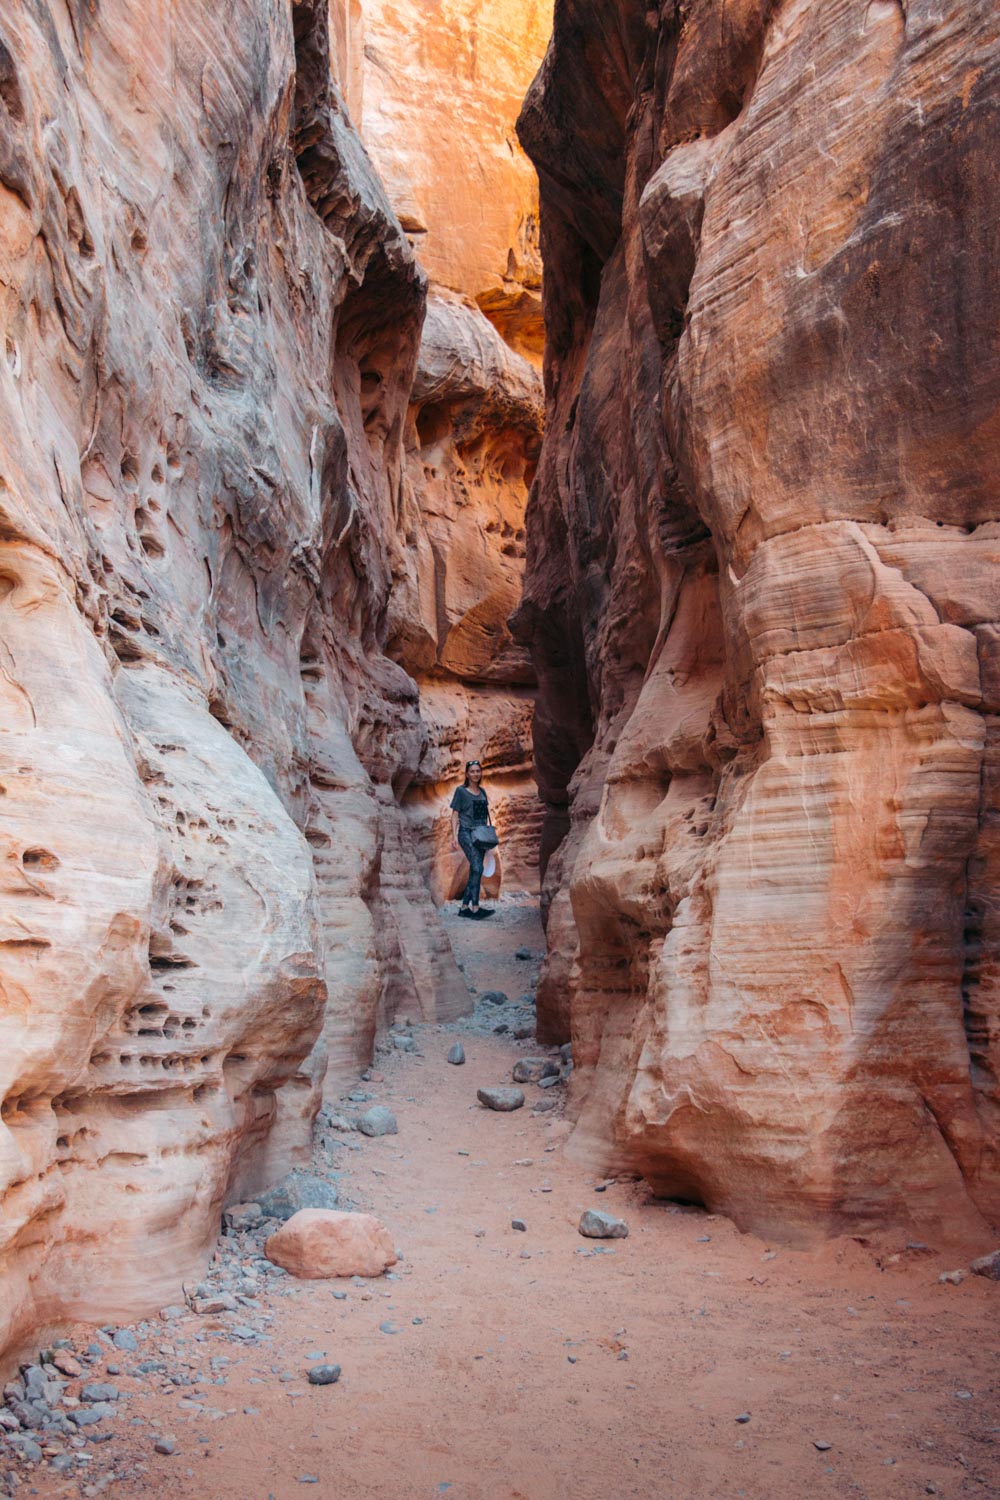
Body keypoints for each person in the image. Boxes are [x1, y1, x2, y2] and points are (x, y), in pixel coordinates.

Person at [450, 760, 495, 919]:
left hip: (480, 836)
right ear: (467, 774)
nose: (476, 774)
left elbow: (483, 818)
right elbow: (455, 814)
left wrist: (488, 842)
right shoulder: (461, 791)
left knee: (475, 869)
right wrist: (454, 835)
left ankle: (464, 908)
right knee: (477, 866)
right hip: (465, 833)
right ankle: (475, 908)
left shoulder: (482, 792)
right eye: (473, 771)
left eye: (478, 771)